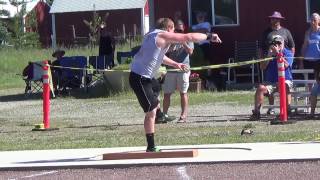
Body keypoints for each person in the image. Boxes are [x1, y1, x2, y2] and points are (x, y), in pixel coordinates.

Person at [129, 18, 221, 152]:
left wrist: (176, 64)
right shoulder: (163, 35)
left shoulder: (151, 35)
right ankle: (151, 146)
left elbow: (159, 56)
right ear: (168, 29)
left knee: (156, 87)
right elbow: (188, 36)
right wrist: (209, 36)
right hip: (139, 78)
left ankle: (160, 114)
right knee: (150, 112)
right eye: (173, 30)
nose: (174, 33)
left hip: (147, 78)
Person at [250, 35, 293, 120]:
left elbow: (286, 65)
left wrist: (278, 54)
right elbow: (262, 67)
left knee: (284, 86)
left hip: (285, 80)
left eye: (279, 43)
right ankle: (256, 112)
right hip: (271, 82)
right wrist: (269, 56)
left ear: (283, 43)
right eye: (275, 43)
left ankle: (286, 111)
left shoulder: (288, 53)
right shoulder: (269, 53)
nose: (277, 45)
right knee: (260, 88)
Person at [261, 11, 295, 115]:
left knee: (285, 84)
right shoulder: (266, 32)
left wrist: (290, 59)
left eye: (275, 18)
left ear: (279, 20)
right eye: (272, 18)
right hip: (269, 58)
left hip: (284, 57)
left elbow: (292, 47)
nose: (273, 20)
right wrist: (264, 58)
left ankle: (287, 107)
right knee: (270, 80)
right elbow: (262, 48)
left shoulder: (286, 32)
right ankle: (271, 107)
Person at [162, 19, 194, 123]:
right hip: (171, 70)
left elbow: (190, 51)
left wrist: (182, 41)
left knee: (183, 93)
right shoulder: (171, 39)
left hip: (183, 70)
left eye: (181, 30)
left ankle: (183, 116)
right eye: (177, 31)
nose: (179, 32)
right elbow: (165, 52)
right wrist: (172, 43)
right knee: (166, 94)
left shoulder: (188, 38)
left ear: (183, 29)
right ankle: (164, 115)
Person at [300, 13, 320, 79]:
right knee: (309, 83)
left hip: (318, 60)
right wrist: (301, 62)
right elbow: (304, 47)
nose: (312, 22)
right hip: (308, 60)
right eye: (311, 20)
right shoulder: (307, 32)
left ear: (318, 21)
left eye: (314, 20)